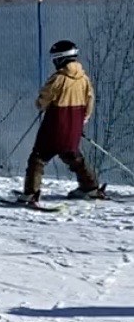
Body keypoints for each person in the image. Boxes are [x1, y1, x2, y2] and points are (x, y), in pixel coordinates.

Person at [22, 40, 105, 207]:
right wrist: (83, 120)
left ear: (60, 59)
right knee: (72, 155)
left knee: (38, 158)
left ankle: (31, 193)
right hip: (74, 125)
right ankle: (90, 187)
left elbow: (44, 99)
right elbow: (90, 101)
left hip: (55, 125)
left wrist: (40, 104)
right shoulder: (84, 78)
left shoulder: (58, 78)